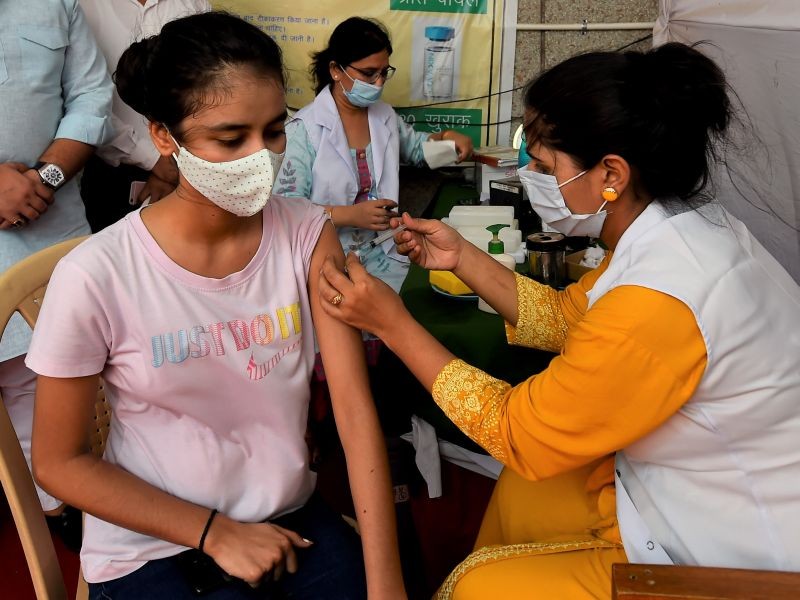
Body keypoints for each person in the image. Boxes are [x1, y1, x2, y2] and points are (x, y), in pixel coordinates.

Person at [318, 42, 800, 598]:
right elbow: (570, 319)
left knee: (478, 584)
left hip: (736, 548)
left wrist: (393, 324)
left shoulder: (661, 299)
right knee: (525, 488)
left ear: (611, 173)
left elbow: (518, 431)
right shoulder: (679, 231)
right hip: (686, 479)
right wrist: (463, 258)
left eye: (544, 167)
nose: (526, 174)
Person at [26, 12, 405, 599]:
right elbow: (58, 463)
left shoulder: (306, 236)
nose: (261, 157)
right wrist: (214, 533)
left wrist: (387, 584)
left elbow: (356, 419)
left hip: (288, 516)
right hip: (153, 541)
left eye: (274, 131)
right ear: (163, 137)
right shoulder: (98, 274)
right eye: (231, 139)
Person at [0, 0, 113, 550]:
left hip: (50, 222)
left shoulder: (55, 2)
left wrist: (42, 180)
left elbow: (91, 96)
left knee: (51, 378)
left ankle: (59, 513)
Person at [275, 17, 473, 295]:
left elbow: (417, 149)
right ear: (335, 70)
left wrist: (449, 143)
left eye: (384, 72)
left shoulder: (384, 116)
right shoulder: (304, 130)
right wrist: (347, 215)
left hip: (385, 251)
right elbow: (285, 211)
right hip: (328, 257)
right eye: (369, 74)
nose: (378, 83)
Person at [79, 0, 211, 232]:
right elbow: (83, 101)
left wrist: (177, 159)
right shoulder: (82, 6)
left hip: (189, 167)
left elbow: (207, 85)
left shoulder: (193, 3)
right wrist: (155, 158)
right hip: (107, 168)